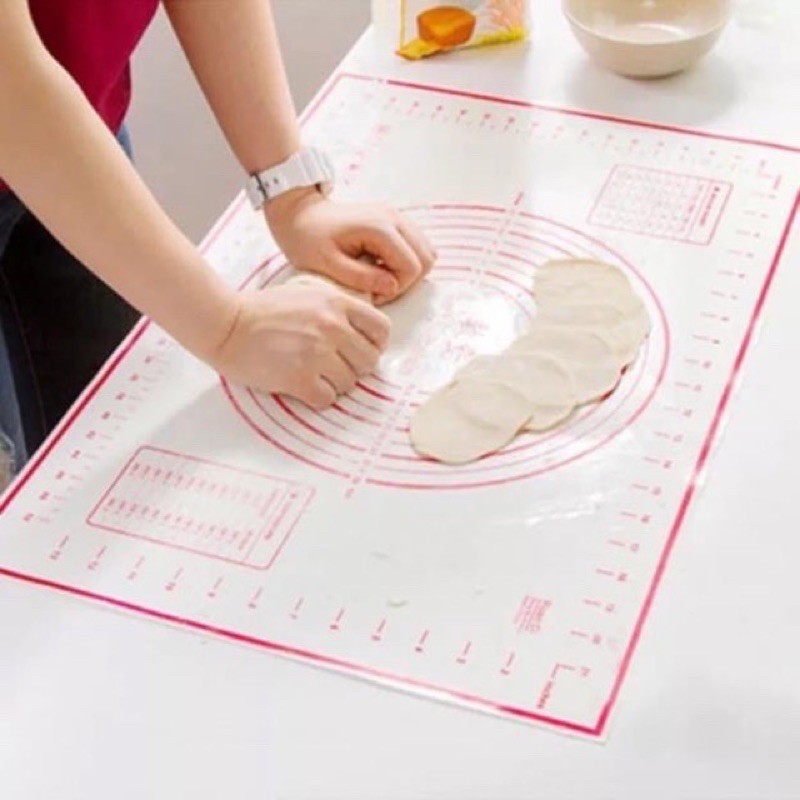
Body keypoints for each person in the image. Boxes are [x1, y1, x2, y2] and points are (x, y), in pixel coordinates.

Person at [0, 0, 436, 487]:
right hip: (28, 113)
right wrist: (228, 329)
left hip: (70, 136)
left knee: (105, 455)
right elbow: (11, 93)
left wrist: (291, 192)